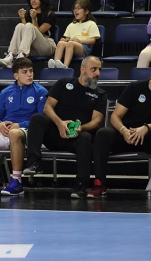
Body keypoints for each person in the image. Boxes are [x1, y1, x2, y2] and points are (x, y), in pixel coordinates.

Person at [88, 57, 151, 199]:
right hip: (127, 135)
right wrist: (123, 130)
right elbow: (115, 116)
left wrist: (146, 128)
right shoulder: (135, 88)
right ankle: (99, 183)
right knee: (103, 133)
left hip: (149, 138)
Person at [23, 56, 107, 198]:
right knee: (37, 119)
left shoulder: (100, 94)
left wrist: (81, 128)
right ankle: (34, 163)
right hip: (56, 132)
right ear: (82, 69)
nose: (97, 73)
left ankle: (81, 184)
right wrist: (60, 123)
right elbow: (47, 107)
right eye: (94, 69)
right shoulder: (64, 83)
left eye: (99, 70)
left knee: (86, 138)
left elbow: (96, 122)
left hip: (77, 136)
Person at [0, 57, 48, 196]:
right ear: (16, 75)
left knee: (14, 133)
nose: (29, 74)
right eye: (25, 72)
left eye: (31, 71)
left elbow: (42, 119)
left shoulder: (40, 91)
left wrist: (20, 125)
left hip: (27, 132)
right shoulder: (5, 92)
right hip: (6, 130)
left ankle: (17, 181)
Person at [0, 0, 57, 68]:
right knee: (20, 26)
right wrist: (23, 18)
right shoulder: (28, 13)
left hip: (47, 46)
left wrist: (34, 19)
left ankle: (21, 56)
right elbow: (25, 33)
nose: (33, 1)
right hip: (32, 48)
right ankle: (11, 55)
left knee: (29, 26)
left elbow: (38, 32)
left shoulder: (50, 14)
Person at [48, 0, 100, 69]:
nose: (75, 10)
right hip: (71, 45)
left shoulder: (91, 24)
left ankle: (65, 66)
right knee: (61, 43)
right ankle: (55, 64)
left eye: (78, 8)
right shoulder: (71, 25)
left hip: (84, 48)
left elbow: (93, 41)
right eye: (74, 8)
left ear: (86, 11)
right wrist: (64, 40)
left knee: (70, 43)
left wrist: (79, 41)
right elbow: (67, 38)